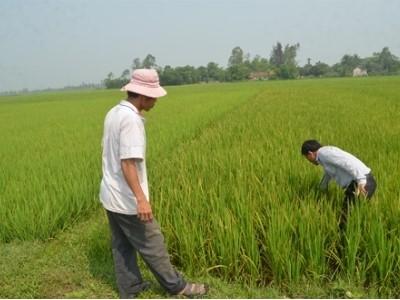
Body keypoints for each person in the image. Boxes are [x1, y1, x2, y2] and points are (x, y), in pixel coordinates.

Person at [100, 69, 208, 298]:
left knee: (122, 245)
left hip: (110, 195)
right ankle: (177, 287)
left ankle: (130, 288)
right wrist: (141, 200)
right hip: (127, 199)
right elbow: (128, 164)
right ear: (142, 96)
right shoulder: (131, 121)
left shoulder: (114, 112)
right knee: (153, 242)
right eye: (154, 96)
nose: (156, 100)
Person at [301, 139, 377, 231]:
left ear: (310, 153)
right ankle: (354, 234)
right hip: (360, 183)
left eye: (307, 158)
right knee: (352, 215)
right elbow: (328, 173)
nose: (309, 161)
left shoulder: (324, 154)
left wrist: (361, 180)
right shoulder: (323, 155)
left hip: (361, 183)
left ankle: (347, 239)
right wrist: (321, 188)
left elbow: (347, 162)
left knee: (346, 218)